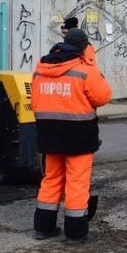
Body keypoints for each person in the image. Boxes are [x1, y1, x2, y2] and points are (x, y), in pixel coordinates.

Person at [32, 27, 112, 242]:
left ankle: (43, 228)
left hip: (49, 135)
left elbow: (34, 102)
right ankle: (75, 232)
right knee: (77, 183)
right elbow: (103, 97)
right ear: (84, 47)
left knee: (51, 179)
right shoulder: (85, 69)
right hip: (79, 136)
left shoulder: (41, 68)